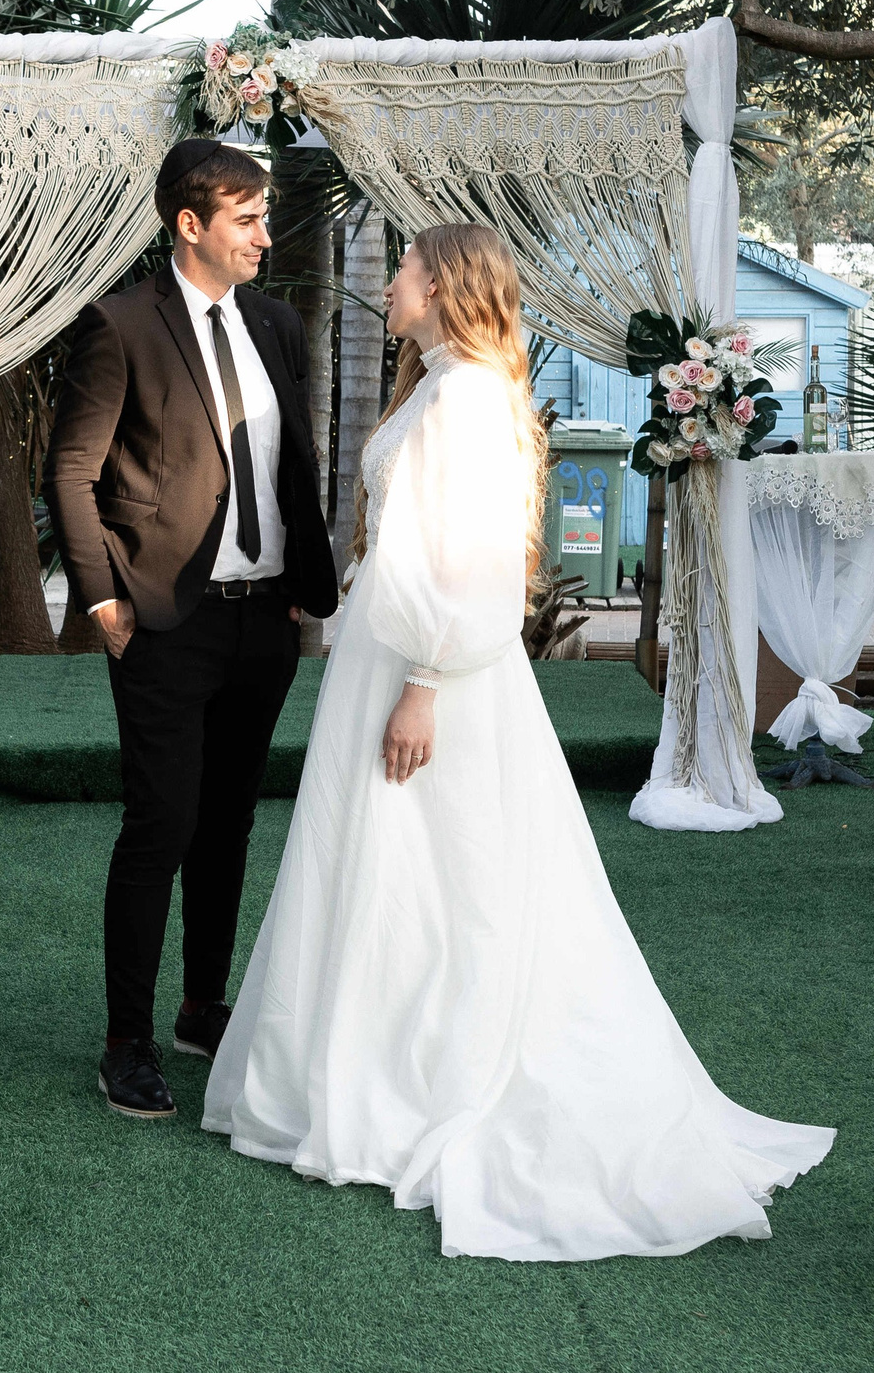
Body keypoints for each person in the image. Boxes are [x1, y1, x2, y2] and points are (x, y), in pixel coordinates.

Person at [203, 223, 833, 1260]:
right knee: (384, 866)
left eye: (406, 265)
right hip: (390, 655)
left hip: (428, 672)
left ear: (444, 284)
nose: (393, 280)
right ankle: (366, 1054)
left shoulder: (464, 399)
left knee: (435, 867)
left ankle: (412, 1073)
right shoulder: (444, 381)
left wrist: (423, 682)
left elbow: (472, 559)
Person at [47, 139, 341, 1119]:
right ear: (191, 224)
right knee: (162, 822)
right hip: (164, 622)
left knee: (226, 824)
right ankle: (124, 1040)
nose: (266, 234)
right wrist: (101, 599)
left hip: (266, 623)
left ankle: (202, 1007)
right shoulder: (119, 324)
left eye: (265, 217)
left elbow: (294, 459)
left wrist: (306, 577)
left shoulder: (278, 323)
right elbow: (72, 473)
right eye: (247, 219)